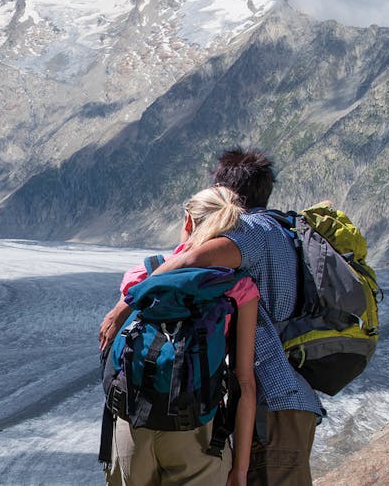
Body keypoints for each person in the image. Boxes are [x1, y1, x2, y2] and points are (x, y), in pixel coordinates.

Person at [101, 148, 323, 485]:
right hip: (280, 402)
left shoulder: (247, 230)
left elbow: (189, 260)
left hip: (266, 409)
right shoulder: (282, 230)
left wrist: (122, 308)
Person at [104, 185, 258, 486]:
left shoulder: (141, 276)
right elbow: (245, 383)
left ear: (188, 221)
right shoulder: (238, 288)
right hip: (197, 432)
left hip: (133, 425)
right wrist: (240, 469)